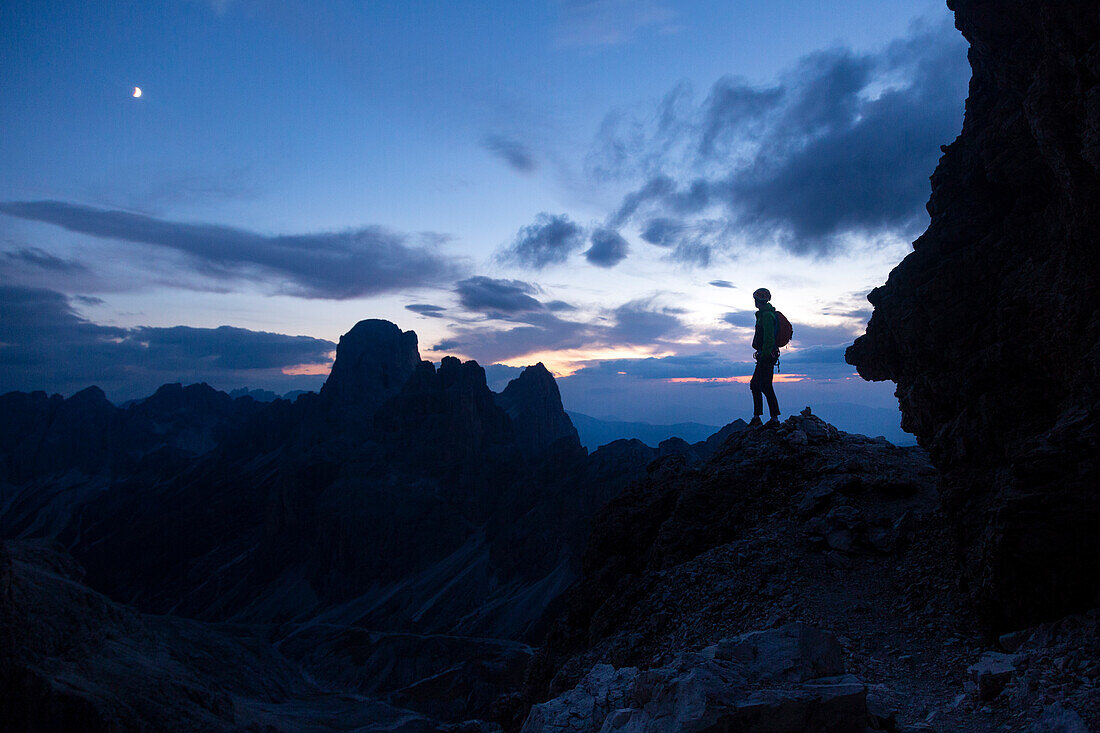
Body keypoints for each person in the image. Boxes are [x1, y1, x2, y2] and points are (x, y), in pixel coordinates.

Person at [748, 287, 780, 427]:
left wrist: (765, 355)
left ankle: (772, 419)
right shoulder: (764, 314)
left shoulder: (766, 316)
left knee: (761, 385)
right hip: (765, 354)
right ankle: (762, 417)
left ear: (758, 300)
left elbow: (768, 338)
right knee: (760, 385)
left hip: (766, 356)